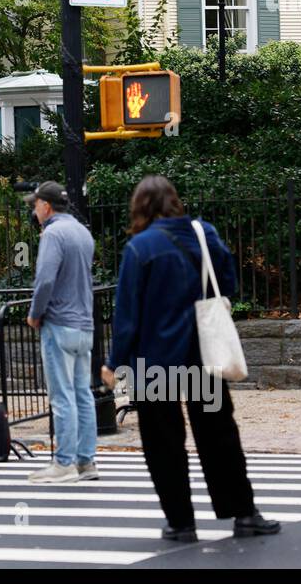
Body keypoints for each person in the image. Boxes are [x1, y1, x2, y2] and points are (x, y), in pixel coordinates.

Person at [105, 175, 281, 542]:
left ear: (140, 206)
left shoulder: (140, 248)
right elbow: (228, 285)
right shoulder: (204, 234)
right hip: (202, 353)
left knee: (163, 443)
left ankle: (181, 521)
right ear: (174, 201)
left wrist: (114, 362)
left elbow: (128, 315)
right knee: (218, 436)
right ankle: (243, 513)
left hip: (154, 362)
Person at [24, 181, 100, 484]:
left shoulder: (53, 233)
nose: (34, 210)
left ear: (46, 206)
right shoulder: (82, 231)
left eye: (35, 205)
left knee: (62, 395)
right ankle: (86, 461)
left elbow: (44, 280)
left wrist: (34, 314)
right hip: (84, 324)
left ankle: (64, 462)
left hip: (59, 323)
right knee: (84, 394)